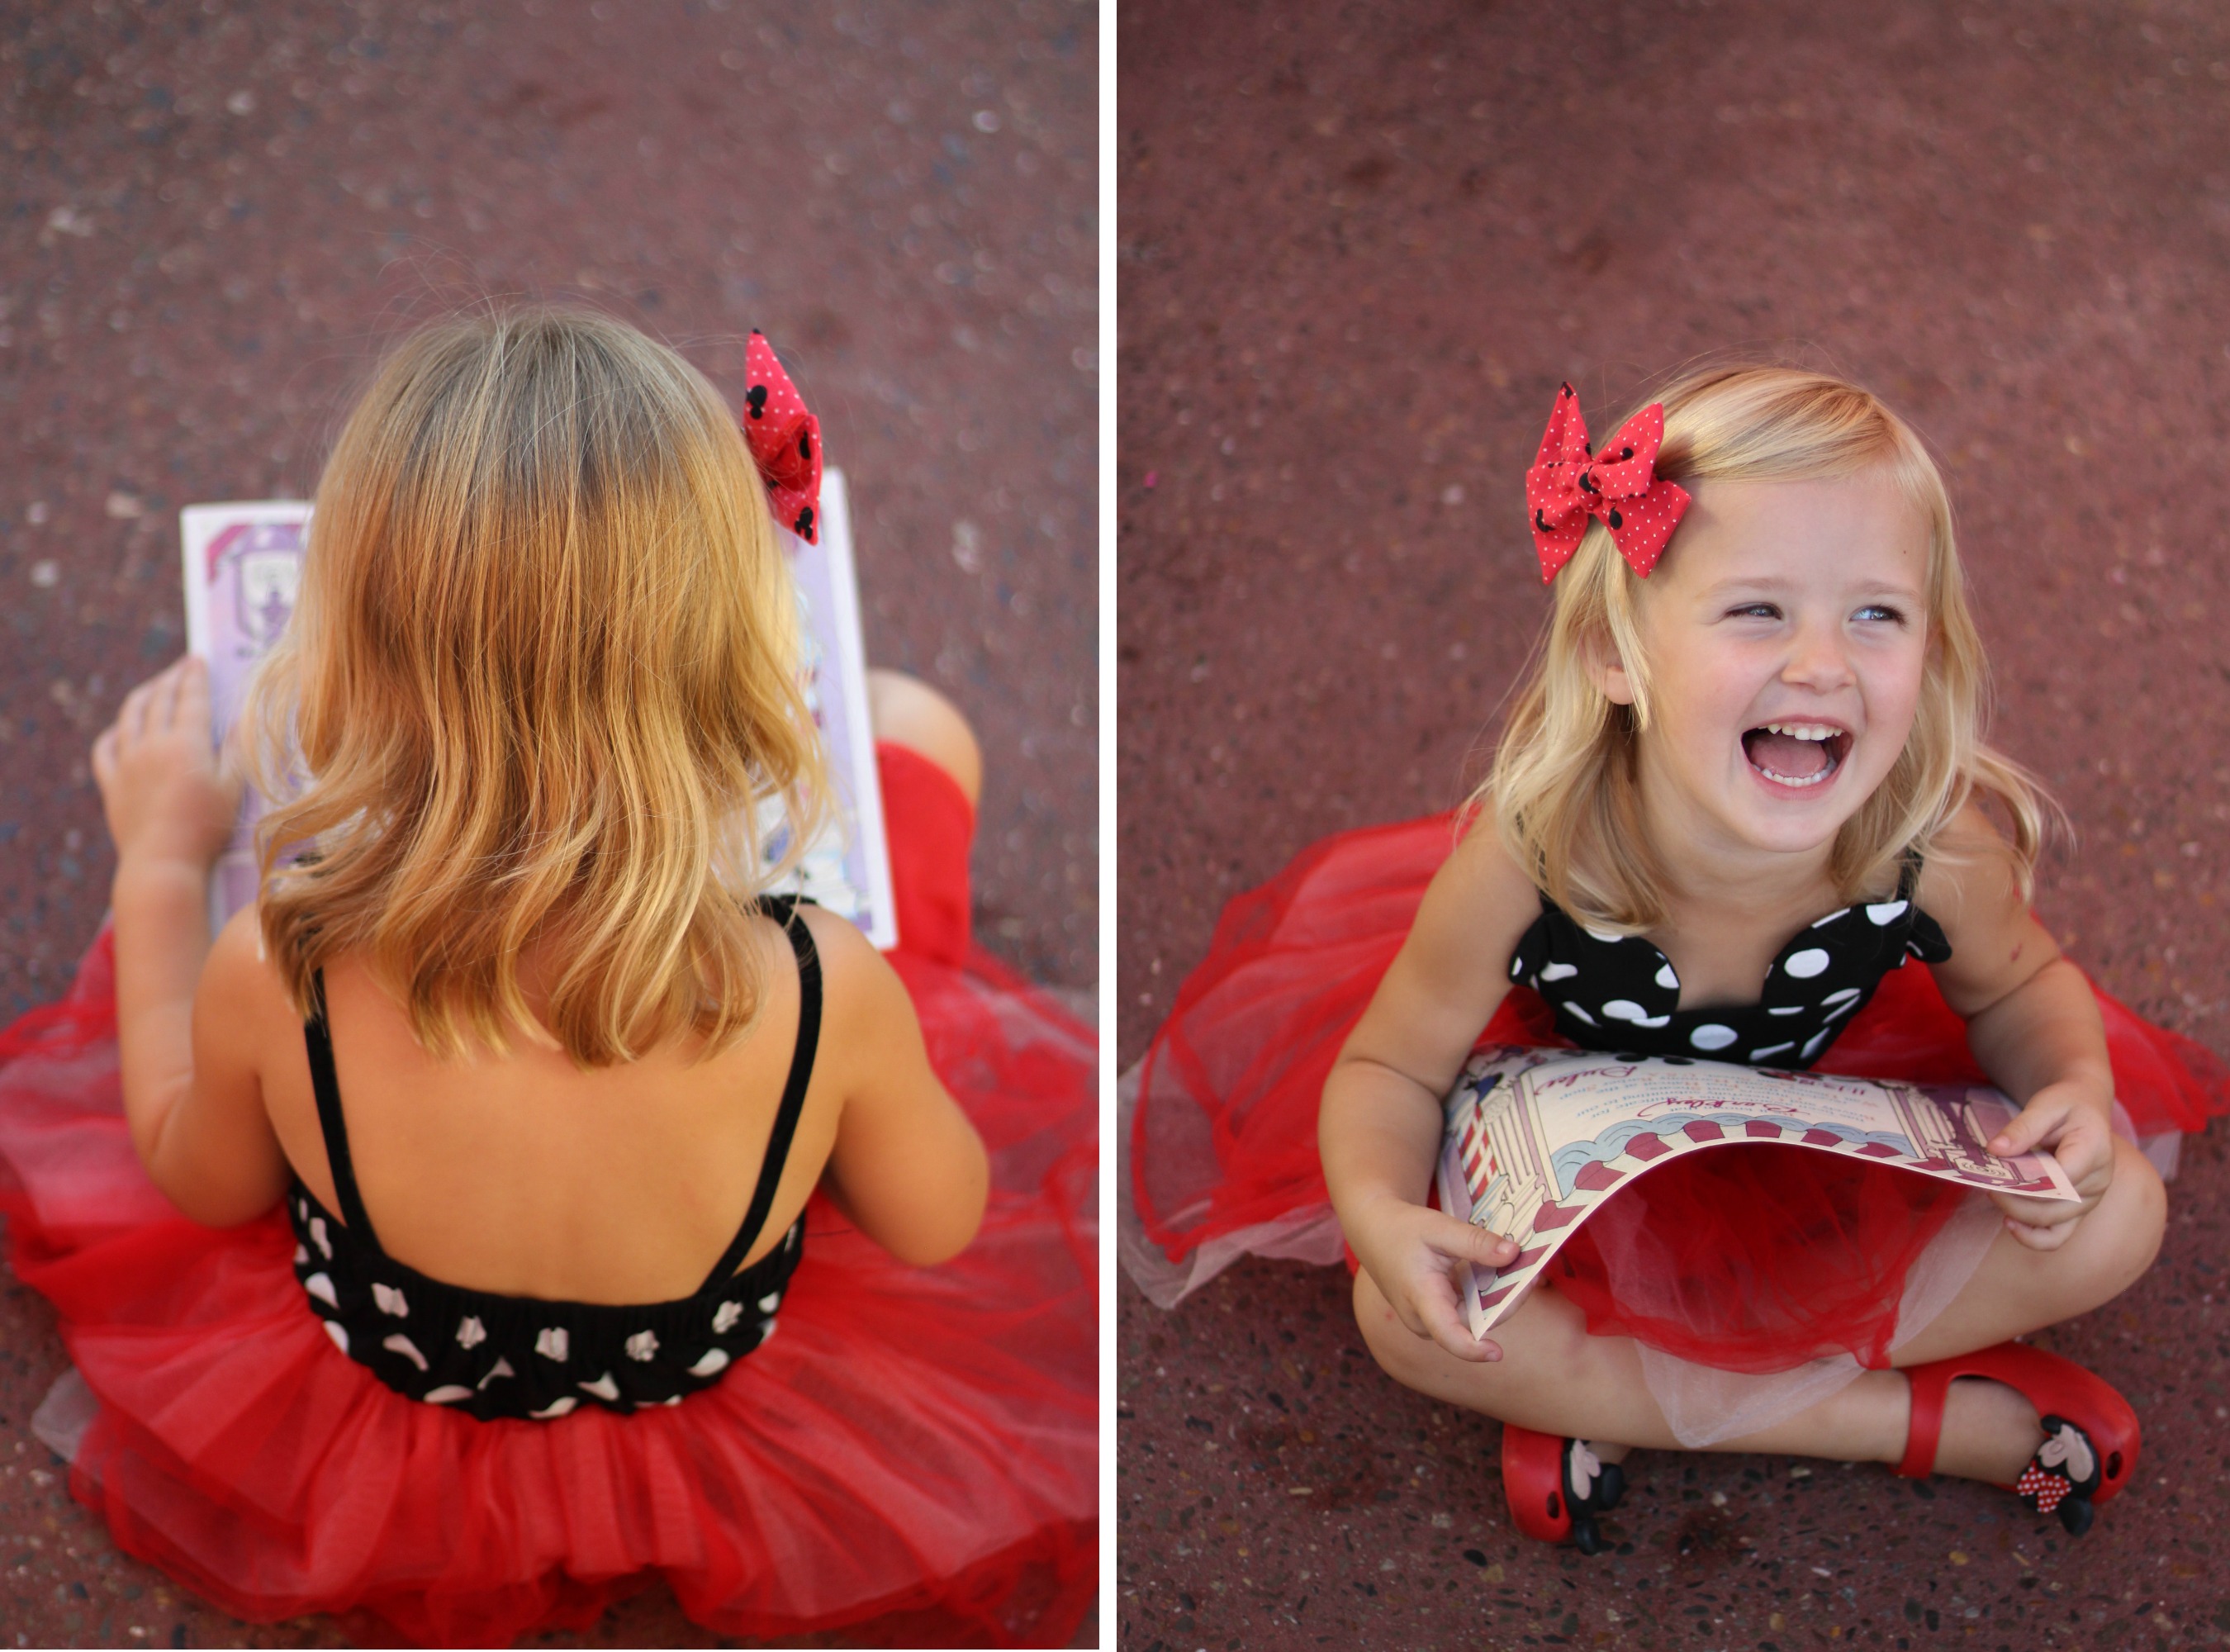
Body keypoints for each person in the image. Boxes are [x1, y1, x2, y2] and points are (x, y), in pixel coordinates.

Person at [0, 308, 1095, 1645]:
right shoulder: (825, 989)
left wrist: (162, 870)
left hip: (391, 1396)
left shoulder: (278, 964)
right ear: (735, 660)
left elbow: (203, 1180)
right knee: (923, 729)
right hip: (723, 1379)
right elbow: (936, 1225)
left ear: (347, 648)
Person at [1122, 365, 2226, 1553]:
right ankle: (1920, 1423)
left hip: (1816, 1148)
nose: (1823, 663)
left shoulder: (1929, 842)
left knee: (2121, 1212)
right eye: (1759, 610)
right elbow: (1389, 1069)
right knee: (1398, 1319)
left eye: (1877, 614)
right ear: (1614, 652)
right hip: (1591, 1192)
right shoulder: (1529, 851)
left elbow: (2021, 990)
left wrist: (2072, 1086)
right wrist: (1385, 1216)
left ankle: (1637, 1403)